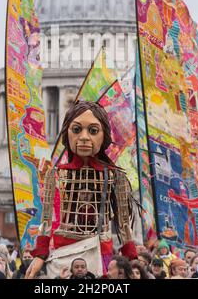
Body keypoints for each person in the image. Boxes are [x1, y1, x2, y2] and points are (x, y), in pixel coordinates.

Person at [28, 102, 138, 278]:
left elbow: (124, 222)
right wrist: (40, 255)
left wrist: (131, 259)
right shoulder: (56, 174)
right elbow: (46, 221)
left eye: (93, 131)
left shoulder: (114, 176)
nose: (85, 137)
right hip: (63, 255)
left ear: (104, 136)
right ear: (67, 133)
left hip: (100, 254)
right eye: (77, 130)